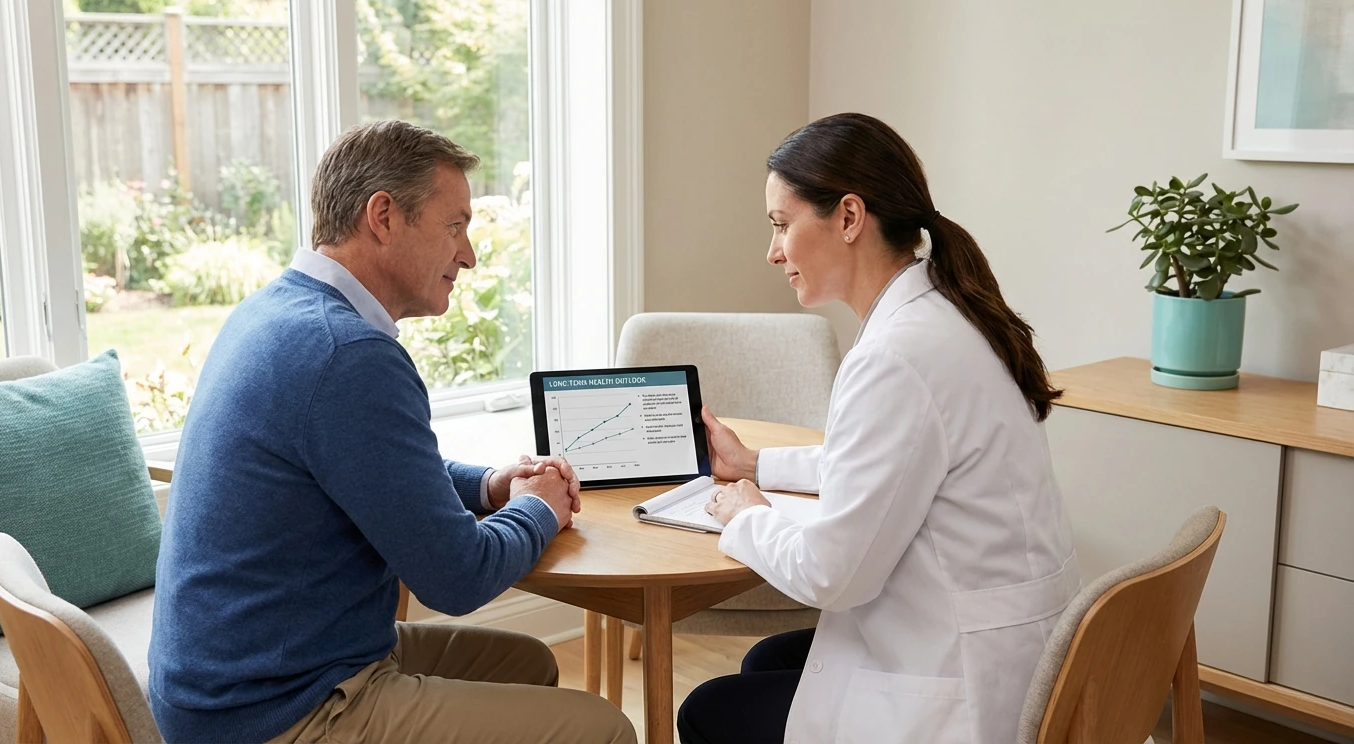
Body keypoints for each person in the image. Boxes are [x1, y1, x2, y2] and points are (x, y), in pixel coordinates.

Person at [148, 120, 637, 744]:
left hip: (238, 679)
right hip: (279, 710)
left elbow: (376, 470)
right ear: (383, 216)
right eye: (454, 226)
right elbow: (458, 577)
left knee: (531, 665)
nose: (469, 254)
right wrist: (539, 509)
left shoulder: (276, 312)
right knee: (606, 730)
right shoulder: (347, 354)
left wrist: (491, 486)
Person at [677, 113, 1077, 744]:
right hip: (1008, 643)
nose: (773, 250)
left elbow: (832, 577)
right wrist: (753, 465)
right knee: (767, 661)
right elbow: (886, 467)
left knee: (707, 710)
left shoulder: (896, 356)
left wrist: (745, 513)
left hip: (965, 687)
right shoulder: (946, 312)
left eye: (782, 225)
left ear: (848, 217)